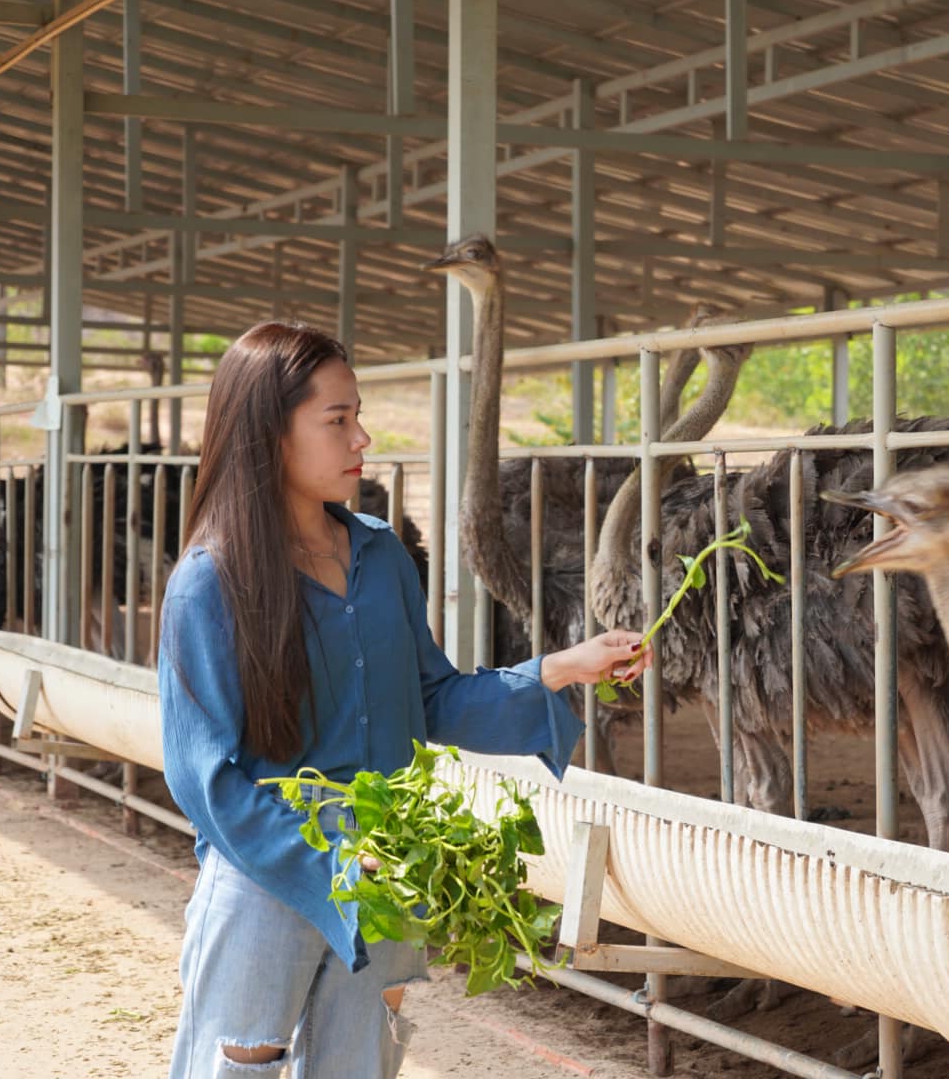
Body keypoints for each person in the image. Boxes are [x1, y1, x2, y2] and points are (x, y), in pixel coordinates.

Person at [159, 321, 649, 1077]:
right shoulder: (210, 581)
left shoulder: (381, 554)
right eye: (337, 419)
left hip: (392, 858)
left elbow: (432, 700)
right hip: (268, 874)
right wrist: (335, 861)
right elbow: (209, 779)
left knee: (360, 1066)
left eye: (358, 414)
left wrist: (559, 669)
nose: (362, 437)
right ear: (270, 432)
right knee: (240, 1064)